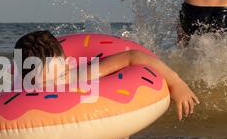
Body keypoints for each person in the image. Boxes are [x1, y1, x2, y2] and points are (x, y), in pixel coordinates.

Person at [14, 31, 199, 121]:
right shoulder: (18, 91)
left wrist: (175, 81)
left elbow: (133, 56)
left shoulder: (77, 76)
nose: (54, 84)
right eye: (44, 81)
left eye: (60, 75)